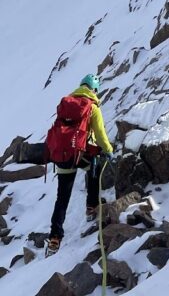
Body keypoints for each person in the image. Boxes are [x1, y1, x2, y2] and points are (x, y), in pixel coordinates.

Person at [46, 74, 113, 255]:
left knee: (62, 197)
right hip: (81, 153)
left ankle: (54, 238)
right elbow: (100, 134)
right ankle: (91, 206)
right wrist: (108, 149)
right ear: (94, 90)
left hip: (63, 156)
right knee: (95, 167)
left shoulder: (67, 103)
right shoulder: (92, 107)